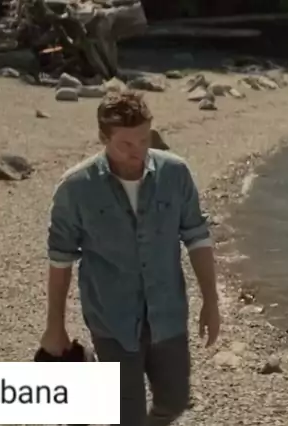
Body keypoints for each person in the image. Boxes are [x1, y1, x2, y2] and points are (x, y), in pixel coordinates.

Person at [41, 90, 221, 426]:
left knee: (174, 401)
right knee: (126, 414)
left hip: (168, 313)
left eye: (144, 139)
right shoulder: (76, 188)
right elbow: (60, 259)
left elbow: (197, 237)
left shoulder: (175, 174)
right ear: (103, 138)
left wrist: (211, 301)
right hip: (111, 318)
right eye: (126, 143)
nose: (137, 151)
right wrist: (55, 326)